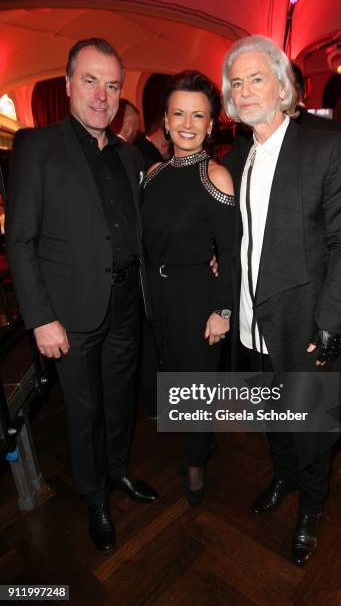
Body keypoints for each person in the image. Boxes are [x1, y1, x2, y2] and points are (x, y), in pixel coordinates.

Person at [5, 38, 159, 554]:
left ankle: (119, 474)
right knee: (85, 408)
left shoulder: (130, 153)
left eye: (112, 85)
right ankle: (95, 498)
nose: (102, 95)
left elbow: (135, 230)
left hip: (125, 305)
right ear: (68, 84)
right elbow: (20, 239)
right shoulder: (36, 145)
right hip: (69, 314)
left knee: (120, 403)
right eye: (90, 81)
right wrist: (41, 318)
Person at [221, 35, 341, 565]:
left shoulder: (327, 146)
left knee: (311, 428)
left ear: (283, 87)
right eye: (237, 82)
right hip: (252, 322)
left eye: (257, 77)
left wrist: (330, 325)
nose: (246, 89)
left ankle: (311, 506)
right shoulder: (236, 157)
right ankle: (282, 478)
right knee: (272, 417)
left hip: (305, 324)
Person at [142, 70, 235, 505]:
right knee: (178, 380)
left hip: (199, 299)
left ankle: (196, 465)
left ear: (211, 123)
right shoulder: (153, 175)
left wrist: (223, 310)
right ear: (164, 117)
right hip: (161, 301)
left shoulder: (214, 176)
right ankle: (201, 443)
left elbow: (232, 253)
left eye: (198, 115)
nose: (187, 122)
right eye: (178, 112)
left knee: (197, 386)